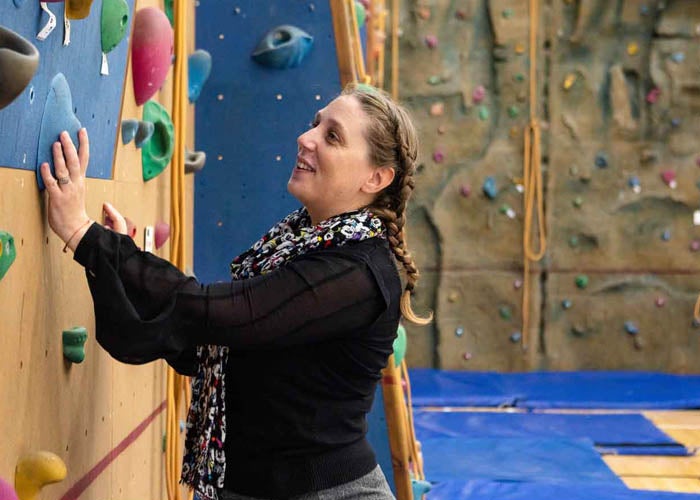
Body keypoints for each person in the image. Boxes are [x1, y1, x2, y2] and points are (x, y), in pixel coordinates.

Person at [40, 83, 431, 500]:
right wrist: (116, 264)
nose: (306, 138)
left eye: (332, 136)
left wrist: (90, 239)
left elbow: (222, 314)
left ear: (377, 177)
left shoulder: (358, 273)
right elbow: (206, 345)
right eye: (315, 124)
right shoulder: (296, 245)